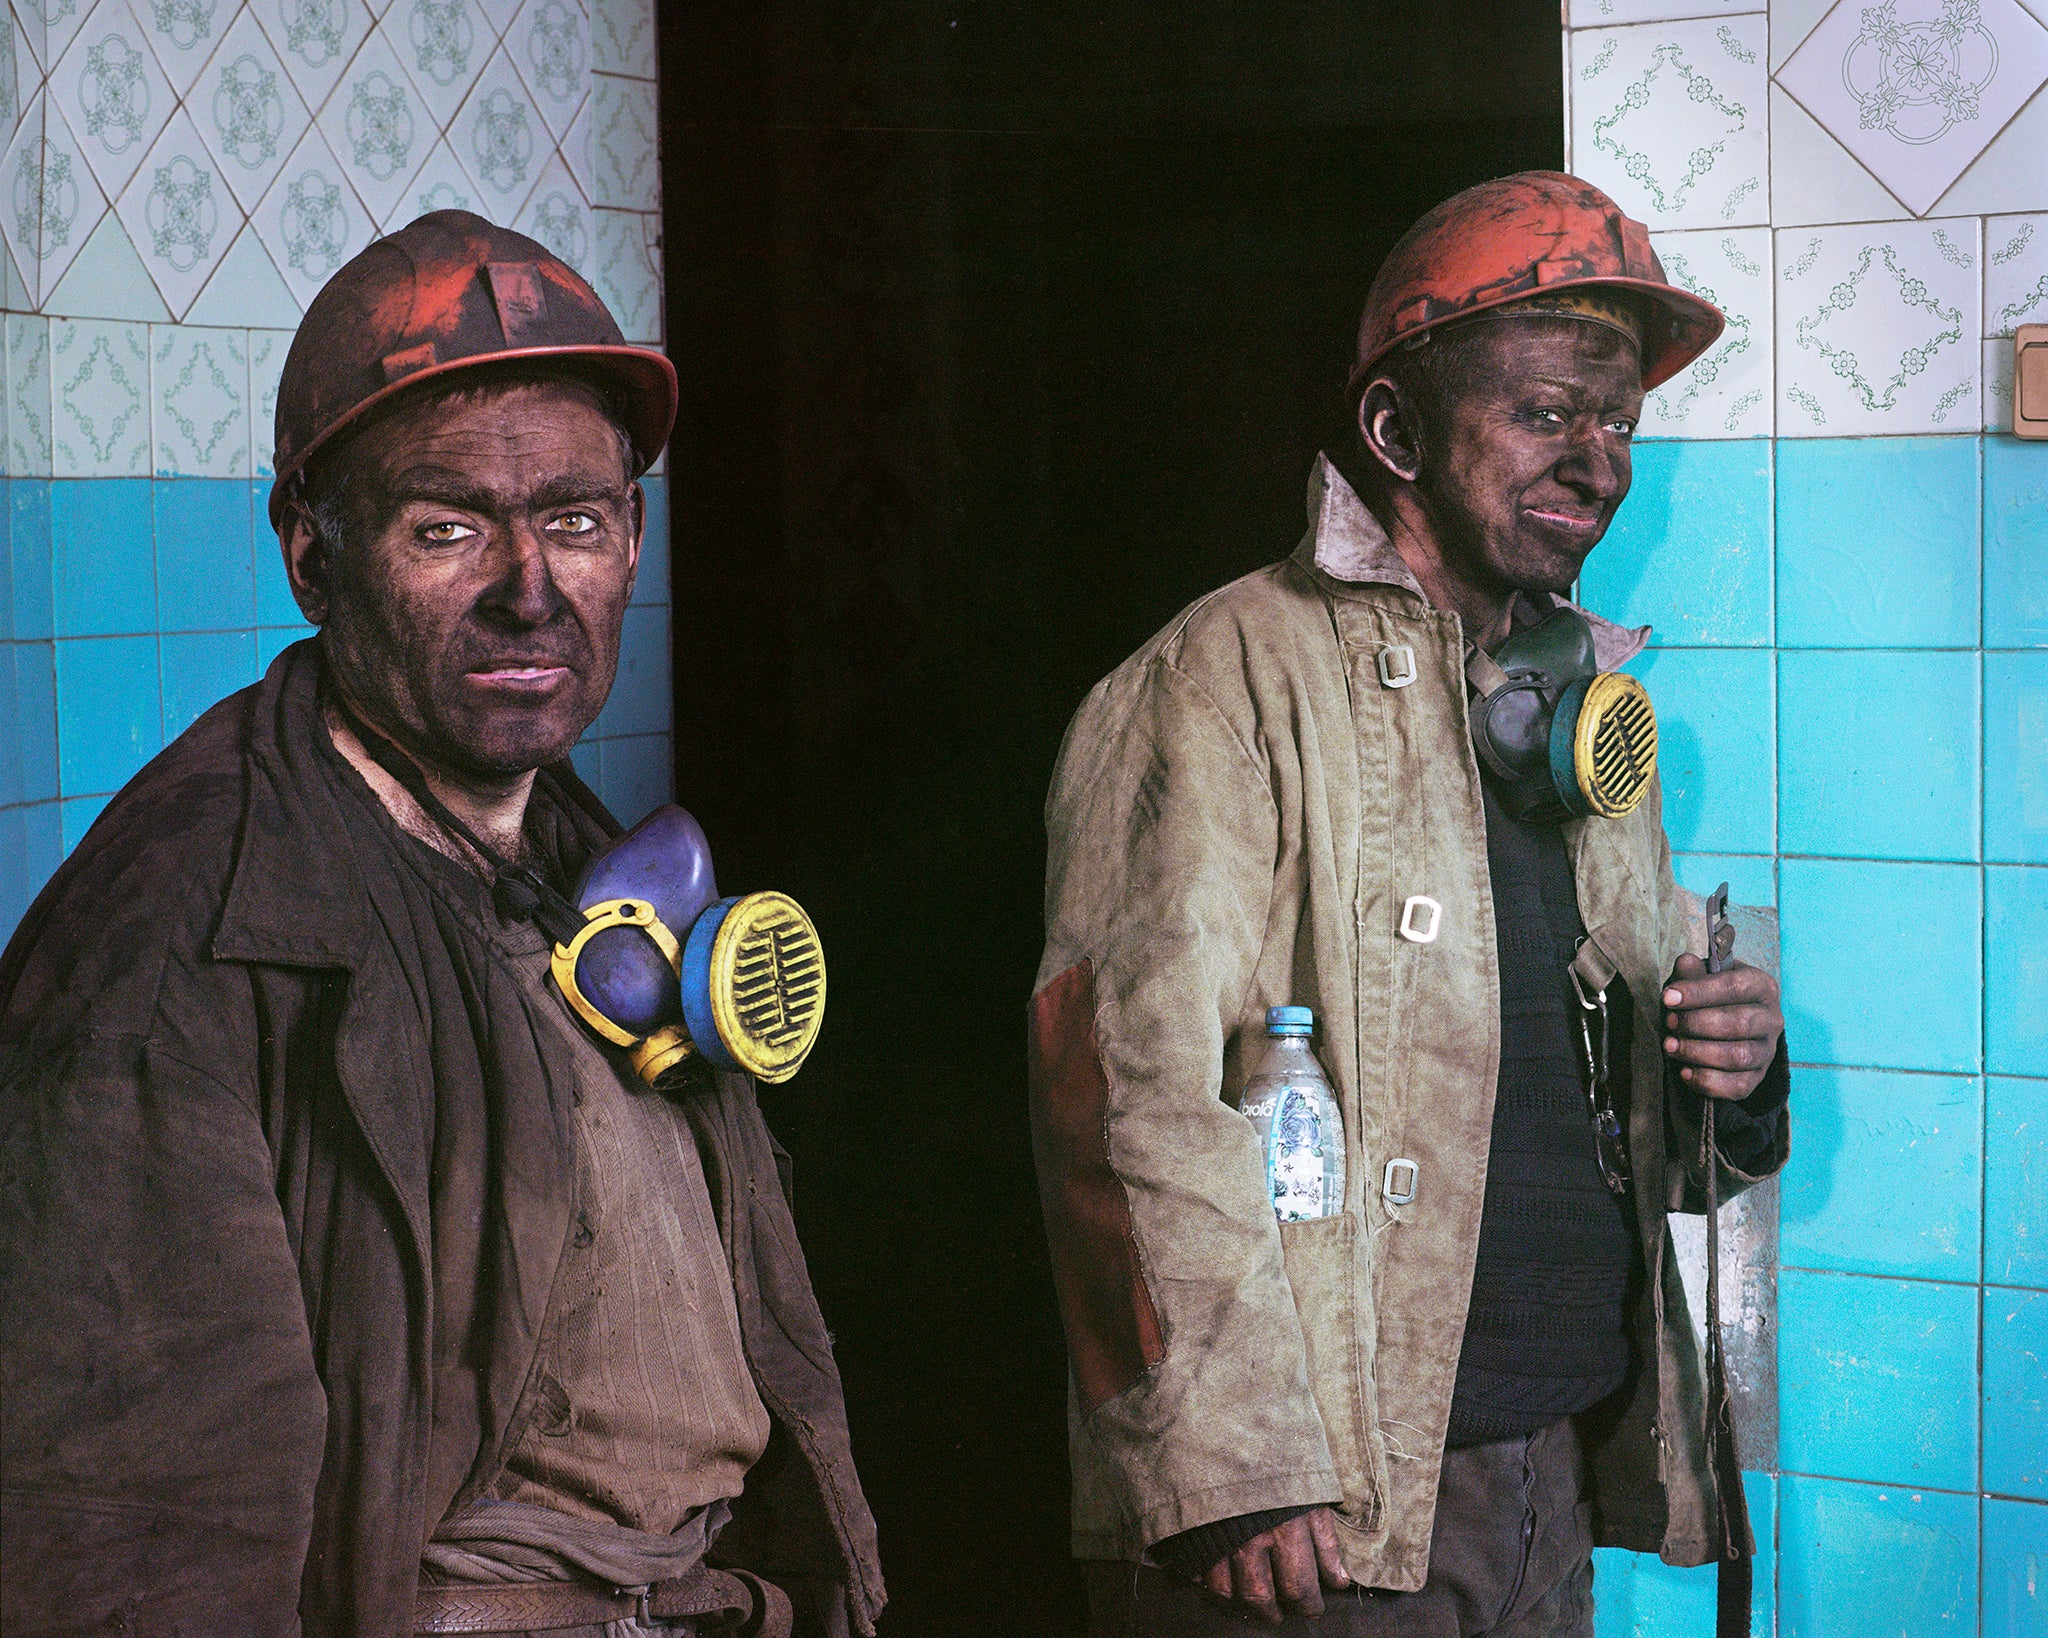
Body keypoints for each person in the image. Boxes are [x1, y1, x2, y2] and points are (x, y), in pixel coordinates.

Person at [0, 213, 884, 1638]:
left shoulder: (579, 855)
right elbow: (136, 1550)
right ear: (311, 554)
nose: (531, 589)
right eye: (448, 527)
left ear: (634, 537)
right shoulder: (181, 935)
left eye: (577, 522)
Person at [1028, 172, 1789, 1637]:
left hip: (1539, 1478)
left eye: (1619, 419)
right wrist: (1232, 1470)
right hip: (1315, 1516)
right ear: (1396, 434)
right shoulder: (1217, 680)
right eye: (1547, 413)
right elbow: (1118, 1100)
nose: (1599, 462)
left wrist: (1738, 1081)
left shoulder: (1585, 710)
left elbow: (1623, 1116)